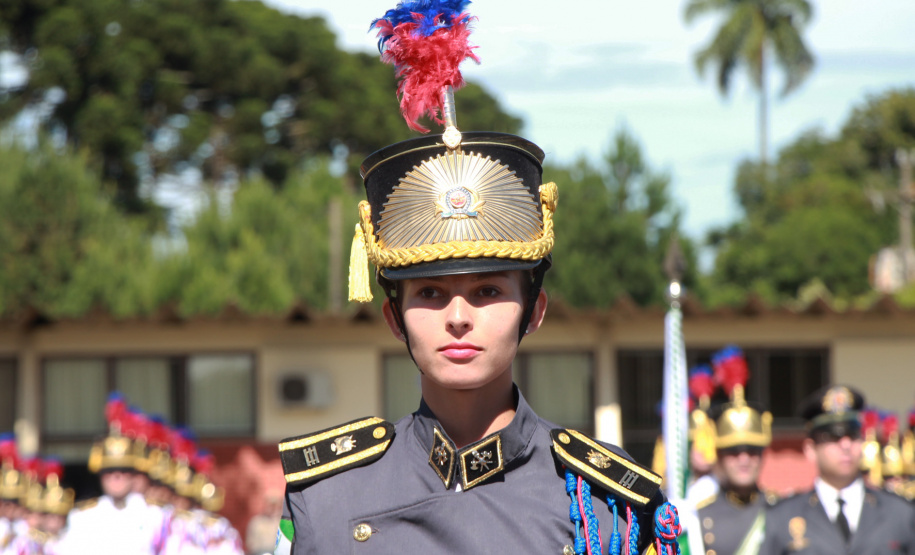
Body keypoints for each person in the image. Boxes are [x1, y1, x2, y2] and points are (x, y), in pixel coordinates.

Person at [274, 3, 681, 554]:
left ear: (533, 310)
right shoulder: (328, 496)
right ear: (394, 317)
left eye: (488, 291)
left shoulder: (607, 508)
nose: (459, 317)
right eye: (431, 294)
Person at [759, 385, 915, 554]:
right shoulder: (783, 516)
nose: (846, 445)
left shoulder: (899, 512)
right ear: (811, 449)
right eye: (834, 437)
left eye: (853, 435)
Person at [696, 357, 773, 555]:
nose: (744, 459)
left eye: (752, 450)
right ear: (719, 456)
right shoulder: (699, 518)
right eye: (733, 452)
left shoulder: (782, 510)